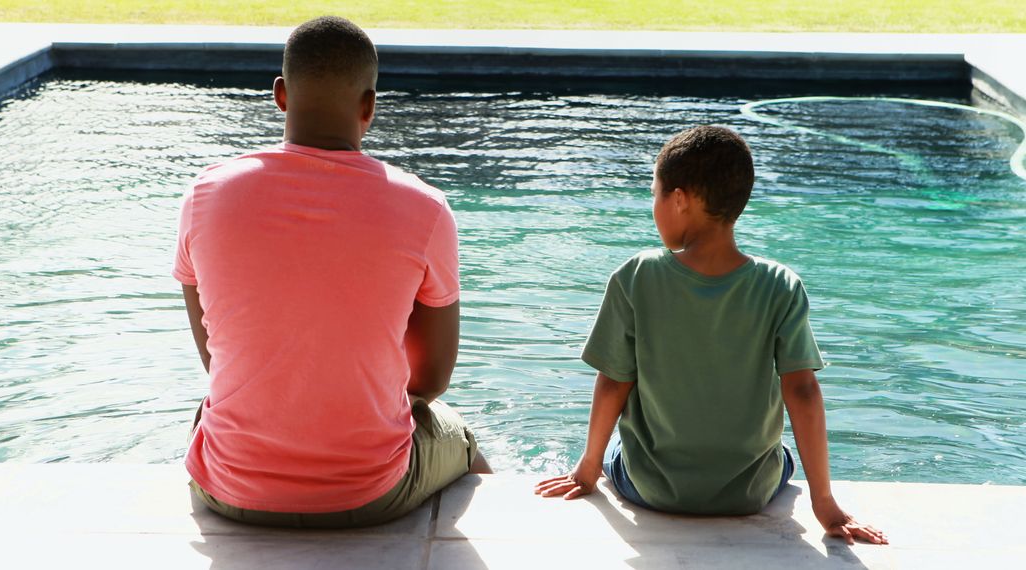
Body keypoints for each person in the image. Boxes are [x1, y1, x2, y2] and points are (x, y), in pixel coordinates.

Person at [173, 16, 489, 529]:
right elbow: (432, 379)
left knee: (212, 409)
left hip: (228, 489)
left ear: (280, 95)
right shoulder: (425, 209)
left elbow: (217, 359)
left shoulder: (205, 196)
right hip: (369, 493)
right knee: (457, 435)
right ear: (369, 107)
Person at [534, 126, 887, 545]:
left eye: (655, 194)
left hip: (652, 488)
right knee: (782, 457)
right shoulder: (780, 284)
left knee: (616, 455)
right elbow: (803, 390)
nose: (654, 205)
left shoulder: (637, 276)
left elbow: (614, 381)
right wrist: (824, 502)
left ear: (680, 200)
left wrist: (588, 468)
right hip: (748, 492)